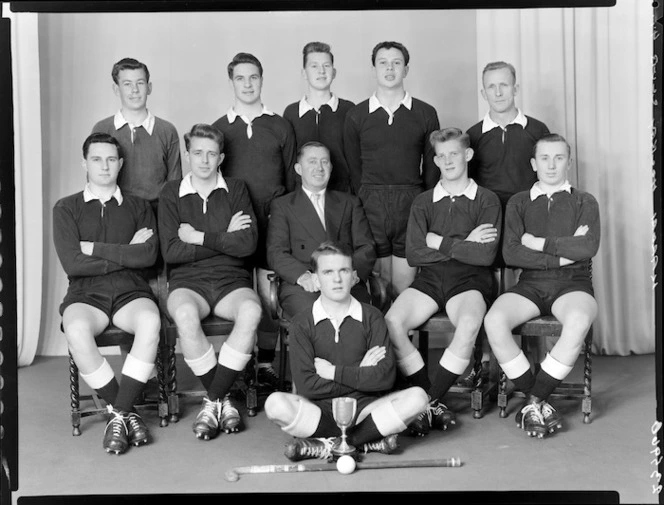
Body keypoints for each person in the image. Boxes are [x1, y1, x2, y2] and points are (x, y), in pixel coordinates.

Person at [384, 127, 502, 436]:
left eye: (454, 153)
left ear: (468, 155)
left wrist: (439, 242)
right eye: (441, 155)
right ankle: (429, 398)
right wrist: (465, 243)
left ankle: (428, 401)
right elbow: (414, 253)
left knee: (468, 324)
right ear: (435, 160)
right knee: (393, 321)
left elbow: (485, 256)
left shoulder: (486, 199)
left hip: (470, 281)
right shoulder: (424, 202)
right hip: (430, 280)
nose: (448, 160)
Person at [264, 242, 429, 461]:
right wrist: (360, 372)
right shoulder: (301, 324)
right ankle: (367, 441)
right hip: (319, 410)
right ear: (315, 279)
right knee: (274, 404)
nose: (337, 279)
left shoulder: (372, 317)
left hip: (365, 408)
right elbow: (307, 385)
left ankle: (331, 444)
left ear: (354, 276)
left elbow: (385, 378)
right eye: (328, 272)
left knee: (418, 397)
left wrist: (333, 372)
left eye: (343, 271)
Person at [483, 133, 600, 438]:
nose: (551, 165)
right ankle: (537, 399)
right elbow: (511, 252)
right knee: (494, 320)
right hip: (530, 284)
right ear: (534, 163)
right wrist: (561, 255)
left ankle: (534, 400)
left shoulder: (584, 200)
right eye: (545, 158)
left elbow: (586, 247)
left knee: (578, 320)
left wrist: (537, 243)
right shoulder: (520, 202)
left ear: (569, 162)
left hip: (573, 284)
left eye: (559, 157)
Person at [53, 132, 161, 455]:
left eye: (111, 159)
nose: (104, 166)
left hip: (131, 290)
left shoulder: (139, 207)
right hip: (86, 294)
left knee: (150, 321)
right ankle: (127, 412)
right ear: (84, 163)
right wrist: (126, 251)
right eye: (97, 159)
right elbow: (74, 263)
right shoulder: (66, 208)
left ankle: (117, 415)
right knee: (75, 329)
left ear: (121, 163)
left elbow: (148, 256)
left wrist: (97, 250)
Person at [158, 123, 263, 441]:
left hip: (232, 279)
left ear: (221, 158)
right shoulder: (171, 192)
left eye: (212, 154)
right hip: (188, 282)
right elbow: (172, 251)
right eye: (198, 153)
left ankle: (213, 400)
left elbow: (247, 246)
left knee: (251, 312)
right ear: (188, 155)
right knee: (186, 315)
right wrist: (224, 235)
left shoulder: (237, 188)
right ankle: (223, 401)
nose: (204, 160)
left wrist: (198, 236)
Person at [212, 52, 297, 392]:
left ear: (262, 80)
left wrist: (285, 217)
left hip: (272, 218)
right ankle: (235, 365)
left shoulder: (279, 125)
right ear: (231, 81)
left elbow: (293, 181)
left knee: (267, 295)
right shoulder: (219, 128)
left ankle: (263, 364)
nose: (247, 84)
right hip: (235, 221)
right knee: (234, 292)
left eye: (253, 77)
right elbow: (212, 181)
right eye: (240, 78)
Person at [463, 61, 551, 386]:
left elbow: (545, 181)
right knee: (487, 291)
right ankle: (489, 360)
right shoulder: (472, 135)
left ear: (515, 88)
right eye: (491, 86)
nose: (498, 92)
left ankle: (536, 361)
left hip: (526, 224)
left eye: (504, 85)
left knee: (529, 292)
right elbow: (468, 188)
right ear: (483, 91)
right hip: (489, 225)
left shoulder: (537, 129)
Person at [343, 41, 440, 304]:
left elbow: (432, 167)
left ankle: (400, 342)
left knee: (403, 285)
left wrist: (424, 206)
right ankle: (380, 342)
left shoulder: (425, 113)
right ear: (374, 69)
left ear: (406, 69)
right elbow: (354, 168)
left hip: (410, 200)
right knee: (378, 284)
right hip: (370, 201)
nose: (390, 68)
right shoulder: (357, 115)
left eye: (396, 63)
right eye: (383, 63)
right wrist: (364, 199)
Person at [266, 141, 376, 320]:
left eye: (324, 162)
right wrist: (302, 276)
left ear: (331, 167)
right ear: (298, 169)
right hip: (305, 285)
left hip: (345, 281)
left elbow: (367, 247)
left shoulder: (350, 202)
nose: (319, 167)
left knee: (359, 317)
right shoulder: (283, 205)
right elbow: (276, 252)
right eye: (312, 161)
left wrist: (351, 273)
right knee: (316, 317)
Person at [92, 57, 182, 214]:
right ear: (116, 89)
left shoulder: (167, 131)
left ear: (149, 88)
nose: (134, 90)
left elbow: (174, 185)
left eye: (140, 83)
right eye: (127, 84)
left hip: (157, 214)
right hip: (115, 213)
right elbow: (95, 181)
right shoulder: (102, 129)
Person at [283, 42, 355, 193]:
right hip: (303, 196)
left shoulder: (348, 110)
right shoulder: (292, 113)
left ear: (334, 72)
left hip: (342, 194)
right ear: (304, 73)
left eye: (326, 66)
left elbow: (355, 158)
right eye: (314, 66)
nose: (321, 71)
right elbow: (288, 161)